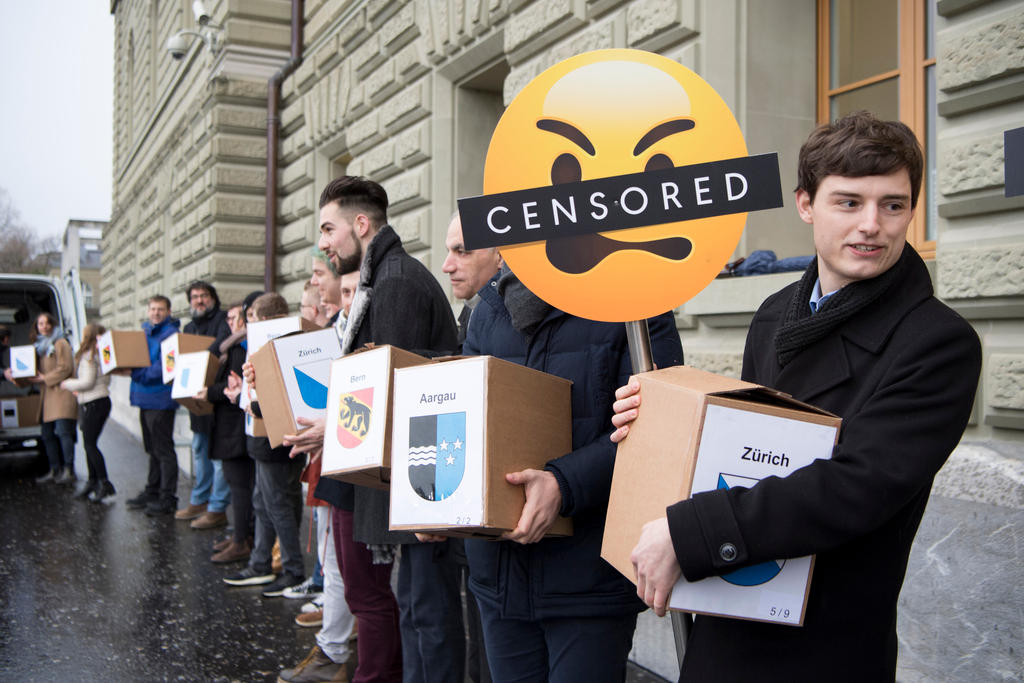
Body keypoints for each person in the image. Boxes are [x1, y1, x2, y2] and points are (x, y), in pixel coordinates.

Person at [612, 111, 982, 682]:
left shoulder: (938, 342)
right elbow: (746, 445)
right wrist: (657, 424)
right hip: (731, 611)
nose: (872, 226)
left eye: (893, 205)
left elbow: (856, 485)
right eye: (849, 202)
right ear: (805, 204)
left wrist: (693, 534)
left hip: (823, 643)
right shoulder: (773, 314)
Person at [460, 262, 682, 682]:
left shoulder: (634, 298)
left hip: (588, 581)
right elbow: (465, 418)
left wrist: (563, 484)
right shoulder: (488, 308)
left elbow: (661, 432)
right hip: (500, 577)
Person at [279, 176, 458, 683]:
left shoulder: (397, 280)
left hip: (421, 480)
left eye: (328, 228)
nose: (323, 242)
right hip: (411, 477)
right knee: (411, 608)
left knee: (424, 614)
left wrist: (332, 426)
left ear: (362, 225)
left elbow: (393, 387)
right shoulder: (387, 274)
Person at [435, 210, 504, 683]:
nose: (447, 264)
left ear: (501, 255)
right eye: (449, 250)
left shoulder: (496, 314)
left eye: (462, 251)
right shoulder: (477, 313)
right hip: (475, 522)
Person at [224, 293, 307, 598]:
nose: (250, 325)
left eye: (254, 320)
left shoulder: (281, 345)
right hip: (261, 437)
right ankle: (260, 563)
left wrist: (252, 403)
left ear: (269, 321)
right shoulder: (267, 345)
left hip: (272, 439)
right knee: (264, 501)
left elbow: (275, 399)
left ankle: (292, 569)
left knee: (277, 503)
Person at [205, 297, 257, 563]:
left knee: (240, 486)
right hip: (232, 426)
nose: (231, 323)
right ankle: (241, 536)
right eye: (228, 319)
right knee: (240, 484)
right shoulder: (233, 344)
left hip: (234, 427)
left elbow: (229, 388)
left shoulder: (239, 348)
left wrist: (208, 392)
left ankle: (241, 540)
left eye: (236, 317)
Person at [177, 280, 233, 530]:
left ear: (212, 298)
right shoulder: (188, 327)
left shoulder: (223, 320)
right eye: (195, 297)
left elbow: (220, 347)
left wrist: (196, 361)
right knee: (199, 450)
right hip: (196, 400)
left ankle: (217, 507)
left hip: (217, 398)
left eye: (204, 296)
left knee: (219, 457)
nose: (199, 300)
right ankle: (199, 500)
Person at [126, 295, 182, 516]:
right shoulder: (145, 333)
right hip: (143, 398)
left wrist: (137, 373)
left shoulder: (171, 335)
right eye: (152, 309)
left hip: (161, 398)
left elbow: (164, 368)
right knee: (152, 449)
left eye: (160, 309)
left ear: (169, 312)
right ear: (148, 311)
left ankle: (168, 497)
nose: (156, 313)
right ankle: (153, 491)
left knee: (163, 450)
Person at [61, 323, 114, 502]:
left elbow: (87, 382)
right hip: (98, 401)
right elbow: (101, 380)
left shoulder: (89, 355)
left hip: (94, 403)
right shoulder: (103, 354)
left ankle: (104, 483)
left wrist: (67, 384)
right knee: (89, 444)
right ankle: (93, 482)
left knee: (90, 445)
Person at [28, 313, 78, 484]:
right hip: (48, 396)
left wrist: (44, 378)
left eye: (46, 323)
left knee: (63, 433)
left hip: (62, 394)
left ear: (52, 324)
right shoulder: (41, 346)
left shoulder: (60, 342)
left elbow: (65, 368)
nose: (43, 326)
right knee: (47, 434)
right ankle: (54, 470)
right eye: (40, 323)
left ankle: (69, 470)